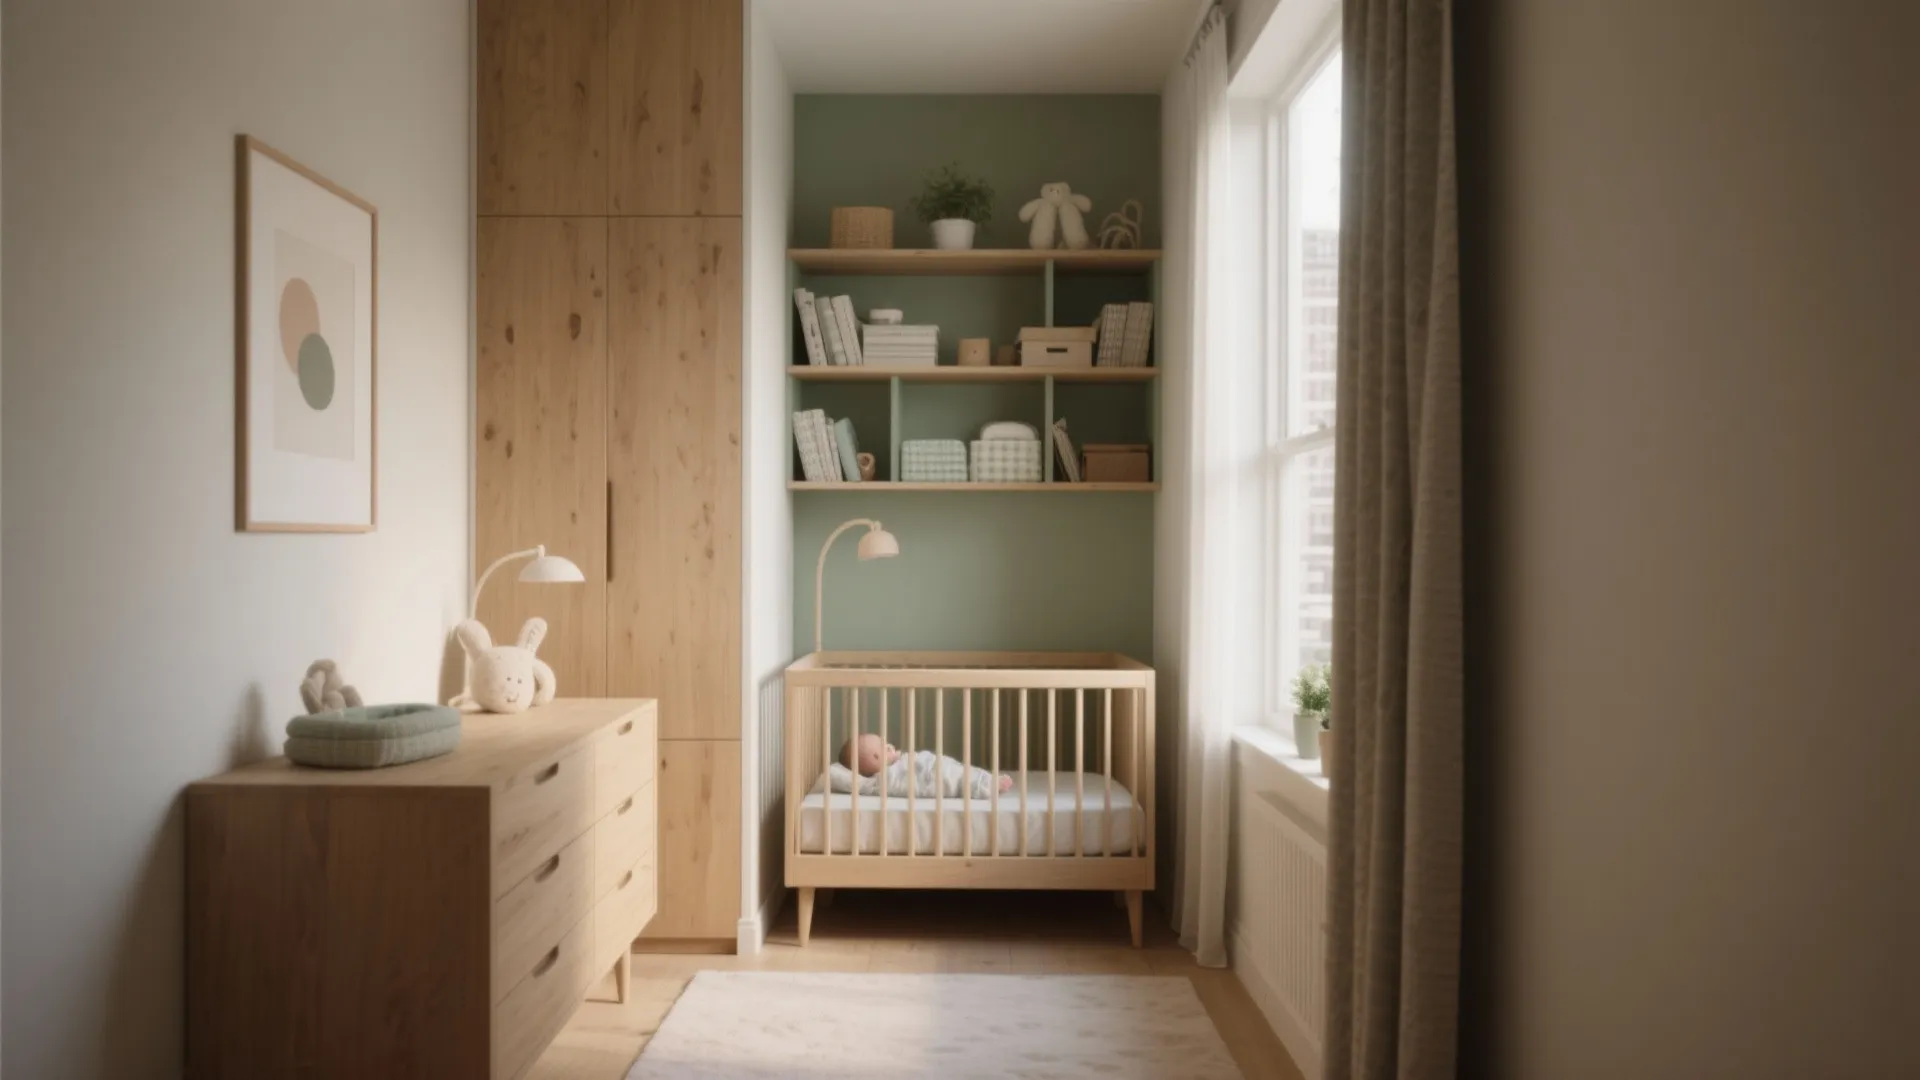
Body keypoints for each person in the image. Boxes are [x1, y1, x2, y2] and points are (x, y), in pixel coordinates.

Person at [838, 732, 1014, 797]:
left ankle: (987, 780)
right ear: (877, 757)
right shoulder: (885, 779)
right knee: (956, 779)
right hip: (932, 776)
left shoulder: (895, 764)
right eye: (884, 746)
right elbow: (910, 776)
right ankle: (986, 785)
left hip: (935, 765)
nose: (889, 745)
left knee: (959, 771)